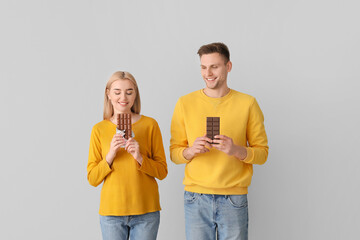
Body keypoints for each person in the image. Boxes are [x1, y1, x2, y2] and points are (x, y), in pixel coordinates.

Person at [170, 42, 269, 240]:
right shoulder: (184, 103)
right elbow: (174, 153)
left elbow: (262, 154)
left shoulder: (248, 103)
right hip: (195, 197)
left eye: (214, 66)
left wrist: (236, 150)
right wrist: (191, 151)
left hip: (234, 198)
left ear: (228, 66)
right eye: (203, 67)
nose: (208, 73)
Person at [87, 71, 168, 240]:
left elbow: (162, 172)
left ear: (135, 94)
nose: (123, 97)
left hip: (146, 212)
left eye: (129, 92)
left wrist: (139, 157)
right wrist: (110, 155)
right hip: (111, 213)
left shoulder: (150, 125)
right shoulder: (99, 129)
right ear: (108, 94)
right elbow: (92, 178)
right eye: (117, 92)